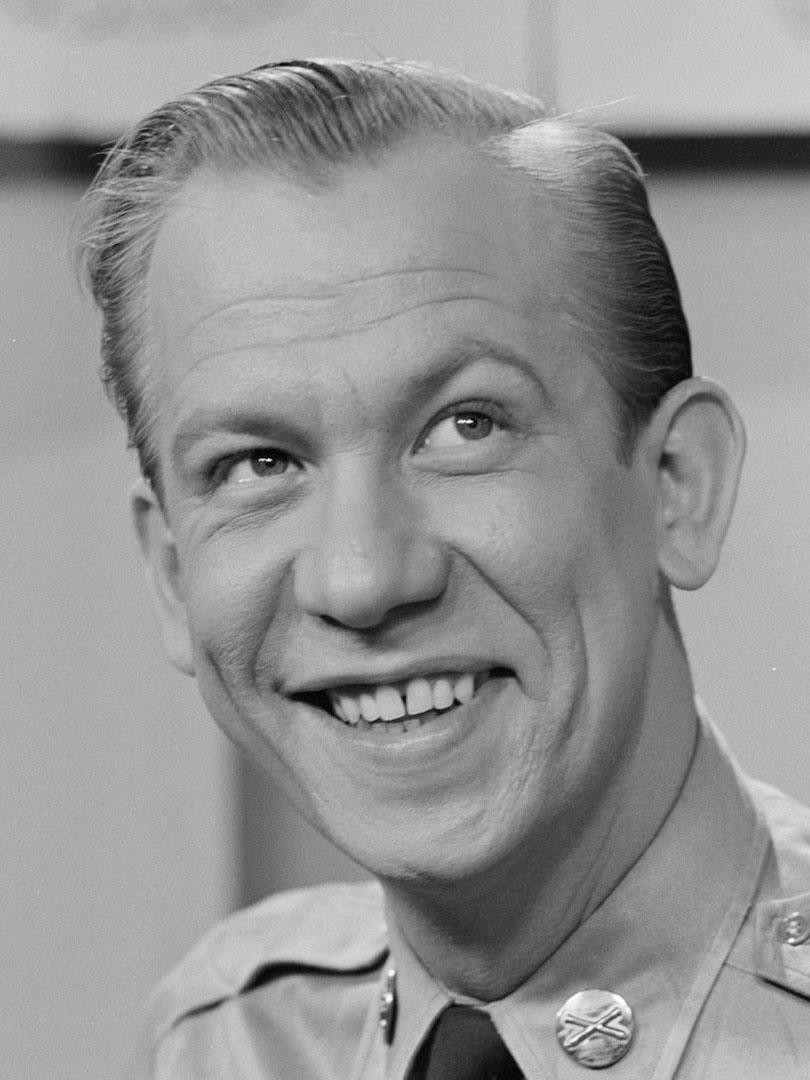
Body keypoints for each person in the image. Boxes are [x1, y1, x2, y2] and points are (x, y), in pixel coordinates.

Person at [78, 59, 810, 1079]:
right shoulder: (229, 1039)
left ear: (677, 486)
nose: (361, 579)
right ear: (170, 572)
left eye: (466, 426)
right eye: (259, 464)